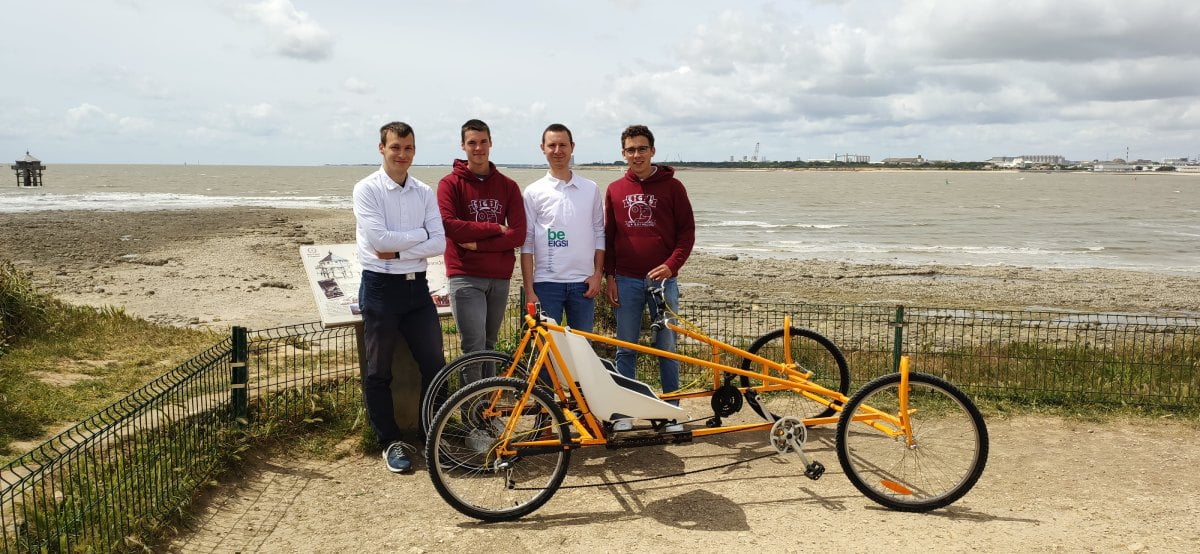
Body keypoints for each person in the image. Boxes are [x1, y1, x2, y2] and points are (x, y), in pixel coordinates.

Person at [353, 121, 447, 473]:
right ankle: (389, 441)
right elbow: (379, 242)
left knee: (435, 365)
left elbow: (439, 242)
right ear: (382, 148)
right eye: (395, 147)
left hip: (417, 288)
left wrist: (400, 247)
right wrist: (417, 237)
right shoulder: (366, 190)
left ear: (414, 150)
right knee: (378, 371)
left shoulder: (423, 191)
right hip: (380, 287)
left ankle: (431, 432)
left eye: (408, 148)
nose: (402, 154)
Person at [604, 124, 695, 432]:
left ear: (653, 151)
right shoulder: (615, 189)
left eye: (642, 148)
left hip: (663, 283)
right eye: (631, 150)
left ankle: (671, 412)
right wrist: (609, 277)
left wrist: (671, 265)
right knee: (625, 348)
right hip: (626, 280)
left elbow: (687, 233)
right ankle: (625, 411)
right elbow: (610, 236)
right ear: (623, 154)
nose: (637, 155)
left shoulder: (673, 187)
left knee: (665, 347)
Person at [437, 119, 526, 378]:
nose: (478, 148)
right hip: (465, 276)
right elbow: (449, 226)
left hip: (499, 277)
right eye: (472, 143)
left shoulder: (508, 186)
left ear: (491, 143)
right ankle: (472, 414)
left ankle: (489, 411)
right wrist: (494, 228)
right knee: (473, 348)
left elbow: (519, 235)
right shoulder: (449, 184)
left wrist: (476, 244)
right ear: (463, 146)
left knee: (490, 346)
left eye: (483, 142)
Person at [521, 123, 604, 331]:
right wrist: (529, 289)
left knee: (583, 348)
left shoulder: (591, 188)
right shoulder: (532, 192)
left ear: (572, 147)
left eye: (562, 145)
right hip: (546, 284)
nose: (557, 151)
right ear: (543, 148)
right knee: (547, 350)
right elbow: (527, 243)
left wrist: (597, 275)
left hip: (583, 283)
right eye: (552, 145)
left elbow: (599, 233)